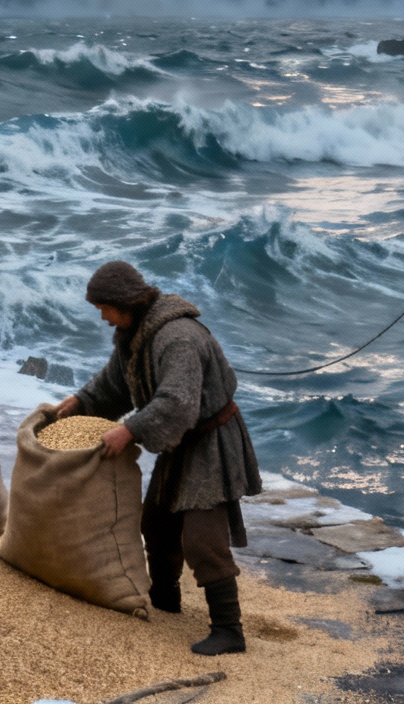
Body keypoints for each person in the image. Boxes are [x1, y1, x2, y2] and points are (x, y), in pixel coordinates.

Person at [56, 262, 261, 656]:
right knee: (157, 523)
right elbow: (114, 383)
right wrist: (82, 401)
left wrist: (130, 430)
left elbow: (178, 404)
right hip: (180, 443)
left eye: (104, 308)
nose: (101, 317)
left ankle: (229, 630)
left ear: (125, 303)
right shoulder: (133, 333)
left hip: (210, 442)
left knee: (204, 539)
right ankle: (165, 600)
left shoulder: (177, 337)